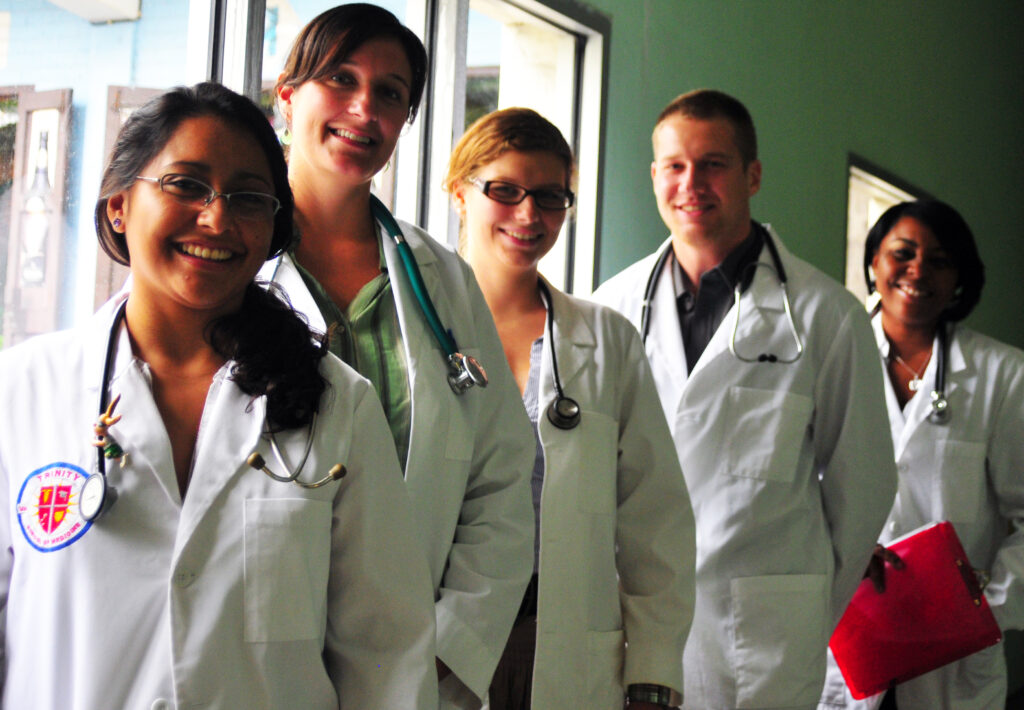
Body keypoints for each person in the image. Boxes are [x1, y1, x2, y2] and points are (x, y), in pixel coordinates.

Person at [0, 82, 439, 710]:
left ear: (271, 230)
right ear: (120, 203)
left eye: (249, 199)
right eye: (185, 184)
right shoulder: (19, 393)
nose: (216, 219)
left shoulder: (337, 404)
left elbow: (386, 655)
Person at [263, 6, 535, 708]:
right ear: (288, 95)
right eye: (341, 79)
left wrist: (449, 649)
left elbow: (500, 482)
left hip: (417, 668)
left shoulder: (442, 282)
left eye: (390, 92)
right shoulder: (232, 272)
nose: (364, 109)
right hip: (257, 653)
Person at [592, 88, 898, 710]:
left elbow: (862, 493)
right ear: (654, 177)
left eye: (713, 164)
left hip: (762, 638)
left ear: (752, 175)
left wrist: (804, 610)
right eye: (674, 166)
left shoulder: (825, 316)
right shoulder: (610, 309)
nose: (691, 183)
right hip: (636, 626)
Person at [445, 106, 696, 710]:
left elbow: (654, 521)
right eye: (504, 191)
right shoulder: (420, 326)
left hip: (559, 643)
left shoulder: (604, 339)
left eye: (551, 197)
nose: (529, 215)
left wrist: (654, 675)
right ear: (460, 193)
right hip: (438, 636)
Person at [818, 200, 1024, 710]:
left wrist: (988, 610)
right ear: (873, 263)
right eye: (902, 253)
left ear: (959, 278)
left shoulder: (1004, 375)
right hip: (842, 635)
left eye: (938, 260)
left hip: (951, 654)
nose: (917, 271)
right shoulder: (826, 359)